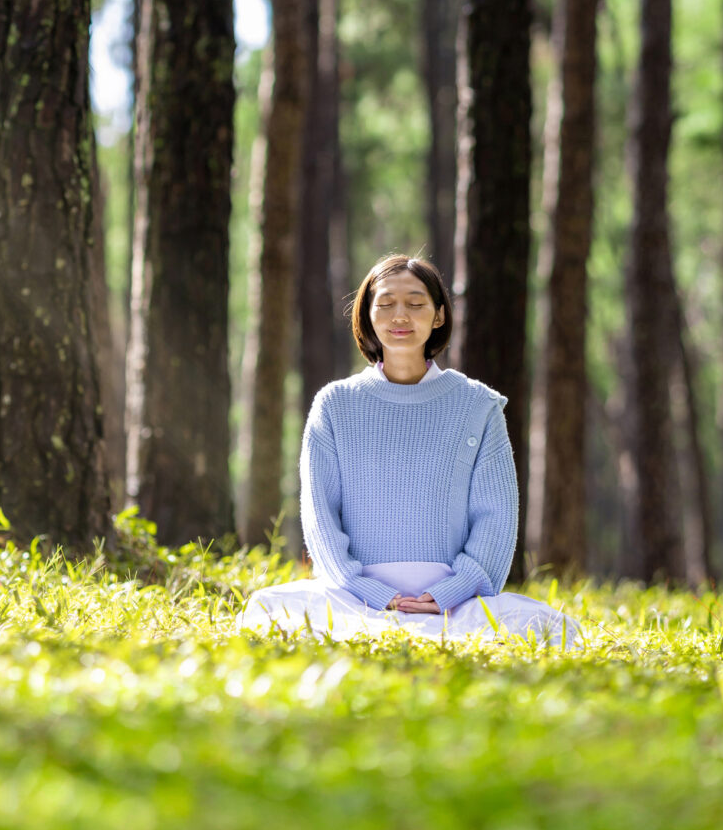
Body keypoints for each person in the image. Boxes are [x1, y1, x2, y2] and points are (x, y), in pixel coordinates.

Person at [237, 254, 585, 644]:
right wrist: (371, 593)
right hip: (353, 596)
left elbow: (496, 517)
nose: (399, 316)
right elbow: (319, 513)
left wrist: (448, 594)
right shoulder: (335, 404)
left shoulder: (478, 406)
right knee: (267, 608)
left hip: (454, 601)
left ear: (438, 316)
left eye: (416, 304)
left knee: (553, 627)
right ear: (367, 315)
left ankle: (430, 627)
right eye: (385, 304)